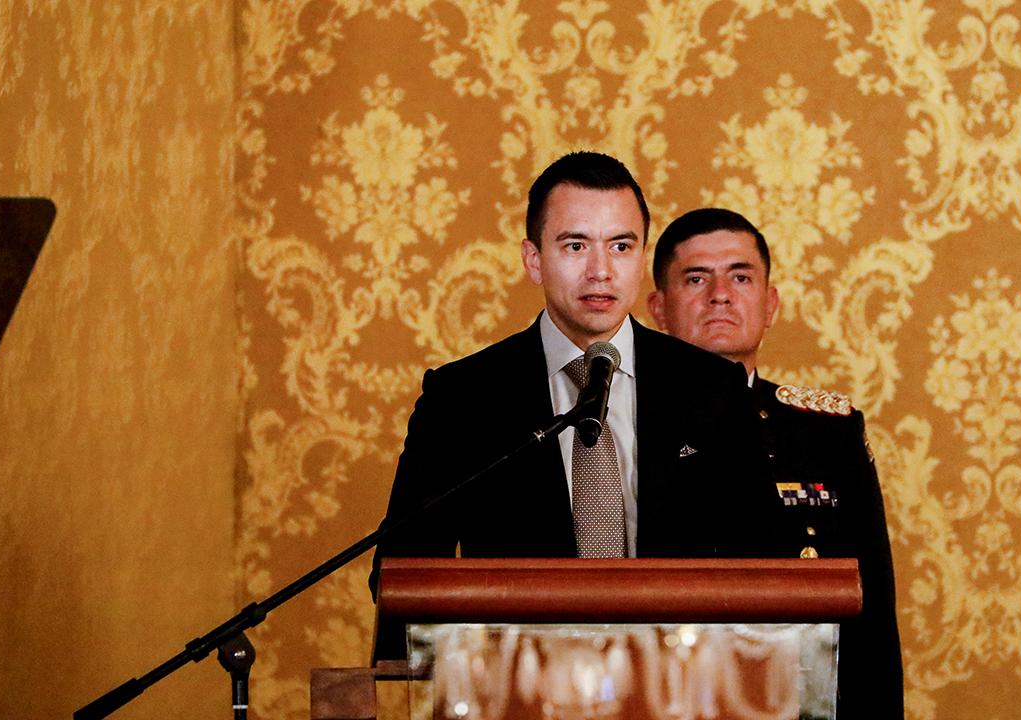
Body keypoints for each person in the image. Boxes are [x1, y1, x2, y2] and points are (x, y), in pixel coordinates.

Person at [369, 155, 780, 633]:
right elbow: (404, 576)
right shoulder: (463, 398)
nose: (600, 271)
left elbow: (765, 569)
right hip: (520, 670)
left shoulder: (713, 388)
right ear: (534, 260)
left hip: (678, 670)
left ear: (641, 259)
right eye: (576, 246)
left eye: (621, 246)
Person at [647, 207, 904, 719]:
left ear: (770, 305)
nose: (720, 294)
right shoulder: (622, 427)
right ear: (659, 308)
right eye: (696, 278)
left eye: (740, 277)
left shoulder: (828, 432)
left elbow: (871, 616)